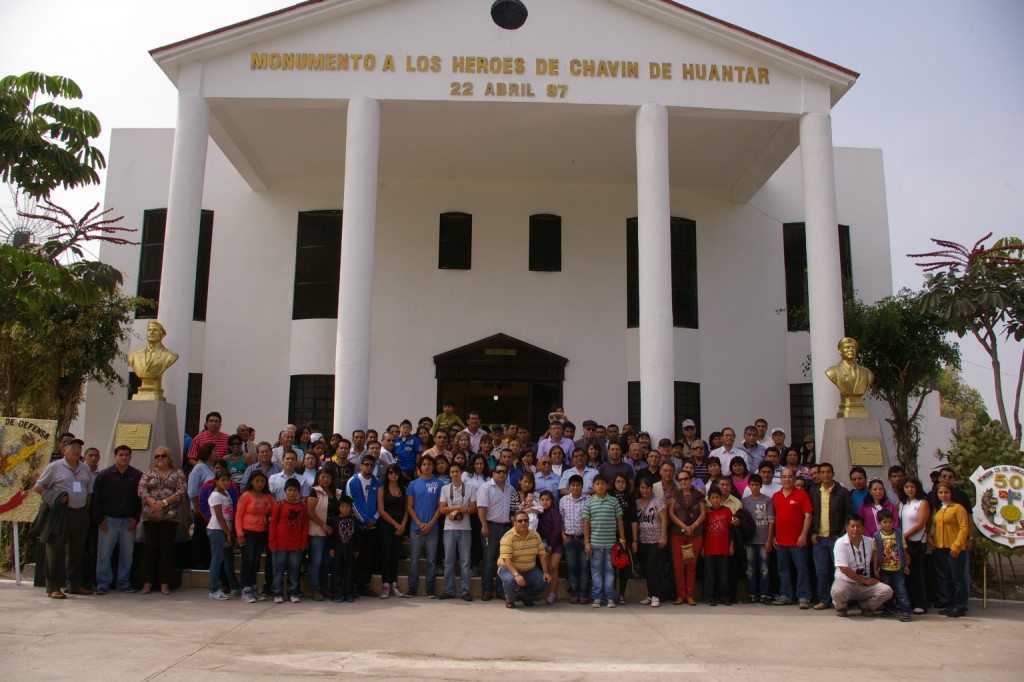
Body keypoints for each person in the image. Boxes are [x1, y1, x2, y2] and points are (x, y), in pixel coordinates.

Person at [33, 437, 94, 598]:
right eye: (72, 447)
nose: (76, 450)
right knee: (55, 550)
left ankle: (74, 585)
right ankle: (53, 587)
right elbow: (39, 487)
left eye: (79, 448)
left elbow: (88, 490)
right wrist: (54, 497)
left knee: (77, 551)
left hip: (80, 513)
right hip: (61, 514)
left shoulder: (84, 467)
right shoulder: (55, 467)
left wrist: (86, 508)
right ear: (64, 450)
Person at [91, 444, 143, 595]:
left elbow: (140, 500)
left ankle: (124, 583)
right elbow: (96, 499)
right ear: (115, 456)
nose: (124, 457)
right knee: (104, 554)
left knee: (127, 554)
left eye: (127, 455)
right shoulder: (104, 475)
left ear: (130, 457)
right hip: (108, 521)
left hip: (128, 521)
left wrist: (136, 518)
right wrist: (100, 519)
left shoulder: (137, 475)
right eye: (121, 455)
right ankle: (103, 583)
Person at [137, 446, 186, 596]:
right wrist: (154, 504)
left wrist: (163, 503)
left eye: (163, 456)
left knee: (166, 549)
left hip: (170, 515)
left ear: (169, 458)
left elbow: (181, 491)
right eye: (157, 456)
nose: (160, 459)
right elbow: (142, 490)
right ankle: (147, 582)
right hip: (151, 515)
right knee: (150, 548)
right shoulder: (148, 473)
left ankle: (164, 581)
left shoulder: (178, 474)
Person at [831, 514, 893, 616]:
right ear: (847, 527)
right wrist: (864, 580)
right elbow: (844, 569)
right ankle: (841, 608)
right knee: (837, 591)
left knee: (887, 590)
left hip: (865, 584)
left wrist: (904, 556)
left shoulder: (869, 541)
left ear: (863, 527)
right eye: (852, 526)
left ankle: (866, 606)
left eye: (859, 526)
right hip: (846, 582)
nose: (855, 529)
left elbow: (879, 556)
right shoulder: (840, 543)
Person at [809, 461, 851, 610]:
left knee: (839, 571)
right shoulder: (814, 491)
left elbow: (848, 515)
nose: (825, 475)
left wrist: (841, 535)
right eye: (823, 472)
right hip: (819, 539)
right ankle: (824, 599)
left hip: (836, 538)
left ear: (833, 474)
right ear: (819, 475)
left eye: (828, 472)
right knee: (821, 571)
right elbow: (810, 514)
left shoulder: (842, 492)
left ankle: (840, 600)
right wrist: (812, 533)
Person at [772, 467, 813, 608]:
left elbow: (808, 515)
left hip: (798, 540)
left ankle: (803, 596)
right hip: (781, 540)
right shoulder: (776, 496)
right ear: (781, 479)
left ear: (794, 478)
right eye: (784, 477)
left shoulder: (802, 495)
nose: (787, 480)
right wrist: (773, 536)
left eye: (790, 477)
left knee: (802, 569)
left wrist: (803, 534)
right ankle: (786, 595)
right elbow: (775, 517)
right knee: (783, 569)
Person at [928, 482, 970, 617]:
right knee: (948, 578)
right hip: (941, 548)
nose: (943, 495)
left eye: (946, 492)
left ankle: (960, 606)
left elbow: (964, 528)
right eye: (940, 493)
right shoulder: (938, 509)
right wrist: (932, 540)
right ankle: (951, 604)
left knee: (958, 579)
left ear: (951, 493)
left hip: (955, 548)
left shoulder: (958, 508)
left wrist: (957, 546)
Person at [583, 476, 625, 608]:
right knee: (596, 571)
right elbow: (586, 523)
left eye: (603, 484)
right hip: (595, 544)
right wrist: (586, 542)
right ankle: (597, 597)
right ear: (593, 487)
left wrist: (622, 540)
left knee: (609, 571)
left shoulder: (613, 501)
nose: (600, 486)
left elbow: (620, 521)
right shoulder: (589, 502)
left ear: (607, 486)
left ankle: (610, 597)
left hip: (610, 544)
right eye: (597, 484)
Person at [497, 511, 553, 608]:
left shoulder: (535, 535)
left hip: (530, 569)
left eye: (525, 520)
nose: (523, 523)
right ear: (514, 523)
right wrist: (516, 575)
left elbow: (542, 554)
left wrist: (545, 572)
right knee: (510, 580)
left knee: (544, 581)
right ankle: (510, 600)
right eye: (520, 521)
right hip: (508, 568)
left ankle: (525, 596)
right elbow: (507, 560)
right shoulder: (507, 537)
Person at [405, 455, 443, 598]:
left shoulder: (439, 484)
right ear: (420, 467)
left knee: (431, 560)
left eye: (429, 464)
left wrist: (431, 523)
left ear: (433, 467)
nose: (426, 466)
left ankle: (430, 588)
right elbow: (409, 506)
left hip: (433, 528)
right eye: (424, 464)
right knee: (414, 560)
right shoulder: (413, 484)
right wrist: (419, 523)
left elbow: (440, 507)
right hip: (416, 528)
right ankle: (412, 588)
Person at [438, 461, 476, 600]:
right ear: (449, 474)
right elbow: (442, 509)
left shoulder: (470, 488)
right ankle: (449, 590)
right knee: (448, 561)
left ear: (461, 473)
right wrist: (459, 508)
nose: (455, 474)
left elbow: (474, 508)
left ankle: (465, 591)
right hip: (449, 528)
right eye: (452, 472)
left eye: (457, 471)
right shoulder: (445, 489)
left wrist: (459, 509)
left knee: (465, 562)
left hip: (465, 528)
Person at [477, 460, 514, 600]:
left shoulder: (510, 488)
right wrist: (484, 525)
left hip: (505, 528)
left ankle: (501, 590)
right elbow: (480, 508)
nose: (502, 474)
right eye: (499, 471)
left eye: (504, 472)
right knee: (488, 560)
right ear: (493, 473)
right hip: (490, 527)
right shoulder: (485, 488)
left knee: (503, 561)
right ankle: (487, 590)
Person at [347, 455, 382, 596]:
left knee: (369, 558)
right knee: (356, 557)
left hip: (372, 527)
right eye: (366, 464)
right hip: (358, 526)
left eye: (371, 465)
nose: (368, 467)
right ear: (361, 465)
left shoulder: (377, 482)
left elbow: (380, 505)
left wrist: (374, 519)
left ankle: (365, 586)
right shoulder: (353, 481)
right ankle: (354, 586)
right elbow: (352, 503)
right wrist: (365, 520)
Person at [235, 470, 272, 602]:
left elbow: (273, 511)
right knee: (248, 561)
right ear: (251, 482)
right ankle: (246, 588)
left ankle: (253, 587)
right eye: (257, 481)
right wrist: (239, 534)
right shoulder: (246, 496)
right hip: (248, 532)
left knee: (256, 562)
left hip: (262, 532)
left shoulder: (268, 496)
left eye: (262, 481)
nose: (260, 484)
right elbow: (238, 516)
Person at [269, 478, 308, 603]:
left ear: (298, 491)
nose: (292, 493)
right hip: (280, 544)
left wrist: (303, 542)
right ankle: (277, 592)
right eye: (289, 490)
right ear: (285, 491)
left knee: (294, 570)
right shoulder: (279, 505)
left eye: (294, 490)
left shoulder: (302, 506)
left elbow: (304, 525)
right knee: (278, 570)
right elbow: (273, 525)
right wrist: (272, 542)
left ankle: (293, 592)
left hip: (295, 545)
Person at [307, 468, 341, 601]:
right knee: (317, 561)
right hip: (318, 531)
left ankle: (323, 586)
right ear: (318, 478)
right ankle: (315, 587)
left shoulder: (336, 493)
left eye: (328, 477)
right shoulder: (314, 491)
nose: (325, 479)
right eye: (323, 477)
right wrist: (323, 525)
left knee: (327, 562)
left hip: (332, 533)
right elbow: (310, 512)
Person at [897, 476, 931, 614]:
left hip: (917, 541)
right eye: (906, 487)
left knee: (917, 573)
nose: (909, 489)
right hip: (904, 542)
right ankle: (908, 602)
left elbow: (920, 524)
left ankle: (920, 604)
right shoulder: (902, 504)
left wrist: (905, 536)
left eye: (912, 487)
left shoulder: (922, 503)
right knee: (906, 573)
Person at [872, 509, 913, 621]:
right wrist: (875, 568)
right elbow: (875, 553)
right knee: (888, 590)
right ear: (879, 523)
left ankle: (905, 611)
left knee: (901, 590)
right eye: (884, 522)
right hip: (885, 569)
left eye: (890, 522)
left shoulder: (898, 534)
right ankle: (889, 609)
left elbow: (904, 549)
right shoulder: (877, 536)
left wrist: (906, 565)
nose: (888, 524)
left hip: (898, 568)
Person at [742, 473, 775, 605]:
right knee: (750, 569)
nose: (754, 487)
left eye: (757, 485)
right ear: (749, 486)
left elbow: (771, 521)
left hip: (763, 539)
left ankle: (765, 594)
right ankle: (752, 593)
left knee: (764, 568)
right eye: (752, 485)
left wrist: (769, 539)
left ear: (761, 486)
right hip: (750, 540)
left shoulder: (767, 500)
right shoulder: (745, 501)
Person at [207, 471, 241, 599]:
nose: (226, 482)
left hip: (226, 529)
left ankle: (234, 585)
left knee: (227, 559)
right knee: (217, 559)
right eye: (223, 480)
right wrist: (228, 533)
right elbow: (219, 516)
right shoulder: (215, 495)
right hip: (217, 529)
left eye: (228, 480)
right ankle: (214, 589)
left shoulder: (225, 493)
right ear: (216, 481)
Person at [126, 320, 179, 401]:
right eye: (149, 330)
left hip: (156, 392)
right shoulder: (134, 355)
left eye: (155, 330)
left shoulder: (169, 356)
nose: (151, 332)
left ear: (162, 334)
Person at [634, 479, 668, 607]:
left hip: (656, 540)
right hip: (643, 540)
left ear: (651, 489)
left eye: (647, 488)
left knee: (651, 567)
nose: (645, 490)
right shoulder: (636, 503)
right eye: (642, 488)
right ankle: (650, 594)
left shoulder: (658, 501)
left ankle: (656, 595)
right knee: (645, 568)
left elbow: (664, 519)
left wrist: (663, 536)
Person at [376, 464, 408, 598]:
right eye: (390, 473)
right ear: (387, 475)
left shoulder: (403, 489)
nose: (393, 475)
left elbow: (407, 510)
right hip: (386, 526)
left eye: (395, 473)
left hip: (400, 527)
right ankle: (386, 583)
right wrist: (395, 524)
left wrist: (402, 525)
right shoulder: (382, 489)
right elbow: (381, 510)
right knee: (387, 554)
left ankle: (394, 582)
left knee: (395, 555)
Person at [825, 337, 875, 417]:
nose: (851, 349)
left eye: (853, 347)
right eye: (847, 347)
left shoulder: (867, 373)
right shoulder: (832, 372)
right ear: (839, 351)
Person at [559, 474, 589, 604]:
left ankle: (583, 592)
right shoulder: (563, 500)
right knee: (571, 566)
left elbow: (590, 520)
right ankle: (574, 591)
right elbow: (561, 519)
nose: (575, 488)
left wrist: (589, 539)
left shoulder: (588, 499)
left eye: (578, 485)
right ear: (569, 487)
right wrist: (562, 534)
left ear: (582, 487)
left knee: (584, 566)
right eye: (573, 485)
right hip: (569, 538)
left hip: (583, 538)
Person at [703, 488, 734, 606]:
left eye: (717, 497)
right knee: (710, 575)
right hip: (709, 548)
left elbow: (732, 530)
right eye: (712, 498)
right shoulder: (706, 512)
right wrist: (702, 547)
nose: (715, 500)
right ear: (709, 499)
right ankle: (709, 597)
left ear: (721, 498)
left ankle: (725, 597)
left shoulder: (727, 511)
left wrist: (731, 545)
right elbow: (703, 531)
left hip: (723, 548)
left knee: (724, 575)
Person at [611, 473, 638, 605]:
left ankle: (621, 594)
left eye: (623, 482)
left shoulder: (630, 499)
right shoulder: (609, 498)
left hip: (625, 537)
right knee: (611, 566)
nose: (620, 484)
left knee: (624, 566)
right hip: (610, 536)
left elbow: (634, 520)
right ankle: (611, 594)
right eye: (618, 482)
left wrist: (634, 540)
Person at [328, 495, 360, 603]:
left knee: (349, 573)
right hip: (338, 551)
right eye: (342, 506)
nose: (345, 508)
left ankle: (348, 593)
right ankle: (337, 594)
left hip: (350, 551)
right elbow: (331, 536)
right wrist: (331, 548)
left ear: (351, 508)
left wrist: (357, 548)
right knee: (337, 573)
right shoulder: (334, 520)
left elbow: (357, 536)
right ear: (339, 507)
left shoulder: (354, 520)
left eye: (347, 506)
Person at [536, 489, 564, 604]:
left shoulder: (554, 512)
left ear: (552, 501)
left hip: (555, 544)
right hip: (543, 544)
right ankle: (552, 593)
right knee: (547, 568)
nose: (545, 502)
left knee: (553, 566)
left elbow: (558, 527)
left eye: (547, 500)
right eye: (542, 500)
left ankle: (552, 593)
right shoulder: (538, 513)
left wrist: (552, 544)